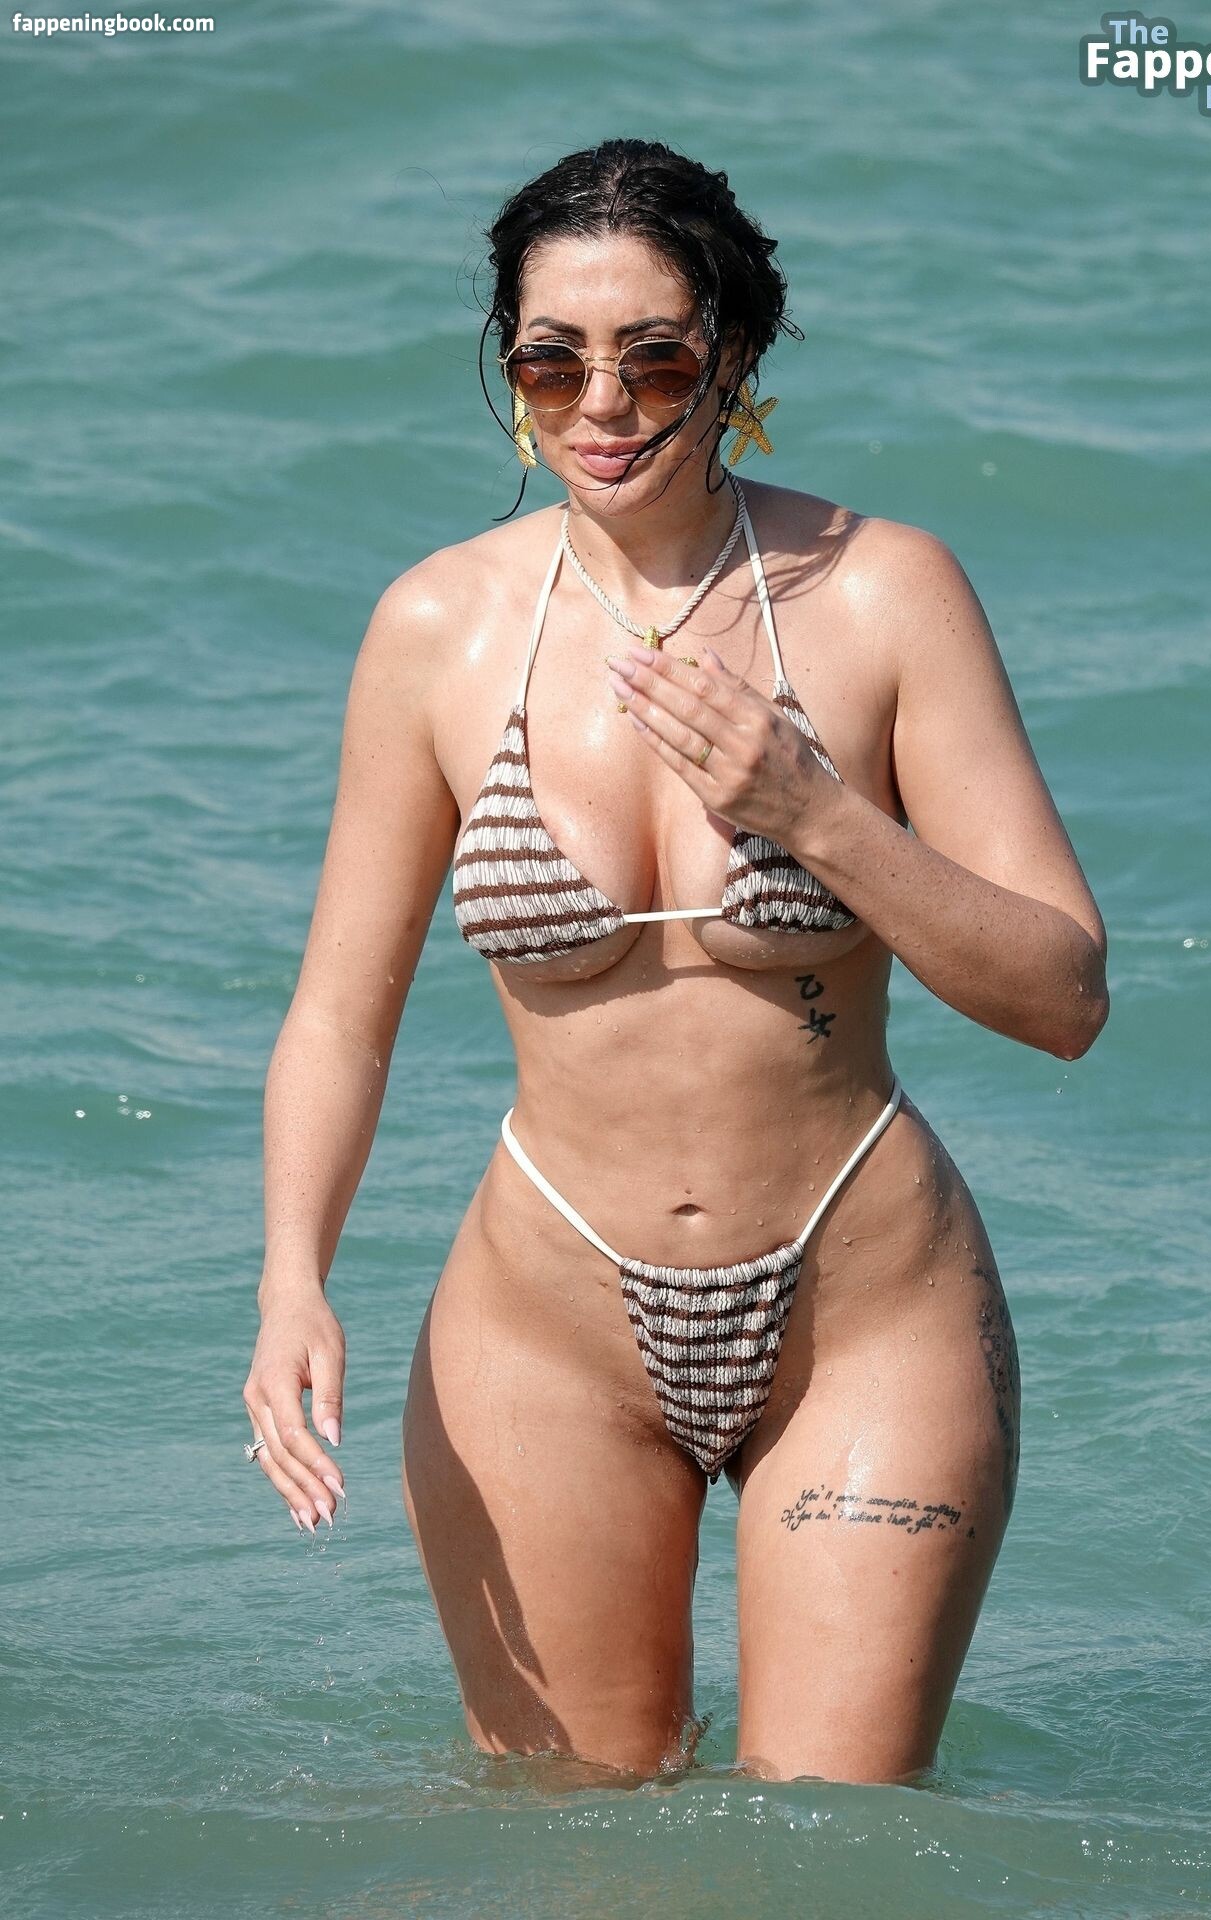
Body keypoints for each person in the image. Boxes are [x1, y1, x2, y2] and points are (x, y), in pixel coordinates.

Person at [241, 138, 1108, 1788]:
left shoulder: (883, 596)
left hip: (863, 1307)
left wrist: (814, 813)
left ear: (737, 355)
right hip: (543, 1328)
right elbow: (340, 1017)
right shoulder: (438, 631)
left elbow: (1063, 999)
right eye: (548, 362)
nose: (601, 406)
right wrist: (294, 1279)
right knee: (581, 1851)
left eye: (652, 359)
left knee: (832, 1851)